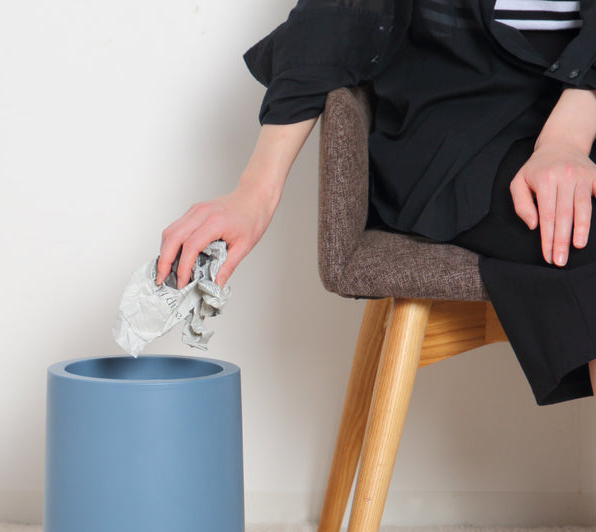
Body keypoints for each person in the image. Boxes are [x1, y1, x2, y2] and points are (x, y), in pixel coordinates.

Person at [157, 0, 596, 406]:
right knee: (580, 228)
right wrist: (255, 190)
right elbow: (335, 15)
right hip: (460, 113)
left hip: (583, 97)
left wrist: (568, 136)